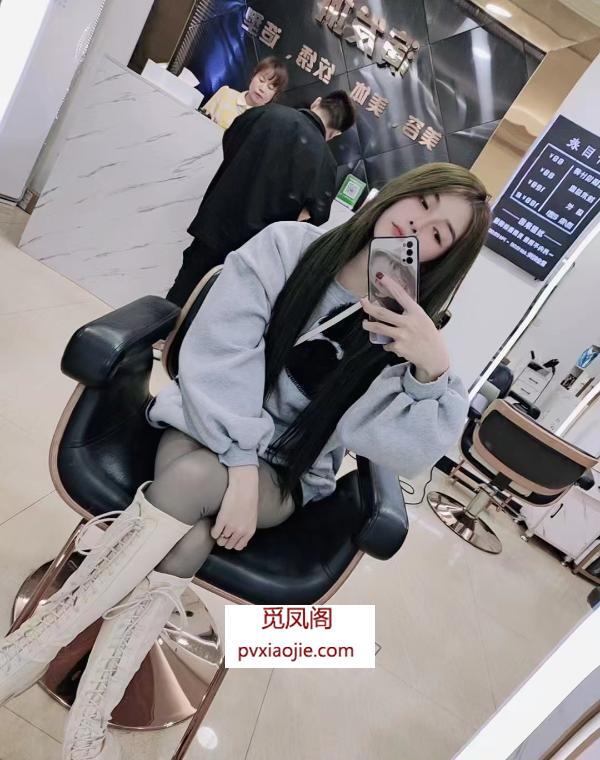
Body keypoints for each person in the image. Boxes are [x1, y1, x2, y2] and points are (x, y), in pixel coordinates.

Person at [0, 163, 490, 760]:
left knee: (189, 483)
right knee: (193, 517)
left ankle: (26, 655)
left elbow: (398, 451)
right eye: (424, 202)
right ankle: (86, 721)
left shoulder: (400, 337)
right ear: (399, 192)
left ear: (442, 260)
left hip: (284, 474)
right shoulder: (289, 247)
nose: (418, 224)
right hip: (206, 425)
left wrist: (430, 374)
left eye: (438, 234)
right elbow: (220, 351)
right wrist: (238, 469)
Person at [166, 90, 356, 306]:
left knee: (180, 296)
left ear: (317, 101)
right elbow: (313, 217)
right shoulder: (326, 163)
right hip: (252, 252)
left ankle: (163, 327)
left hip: (215, 225)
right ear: (336, 133)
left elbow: (230, 142)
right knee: (216, 309)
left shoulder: (266, 113)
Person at [201, 56, 289, 129]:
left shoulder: (266, 123)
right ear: (253, 76)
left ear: (275, 94)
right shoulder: (225, 94)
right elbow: (201, 119)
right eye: (261, 80)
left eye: (270, 87)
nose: (262, 89)